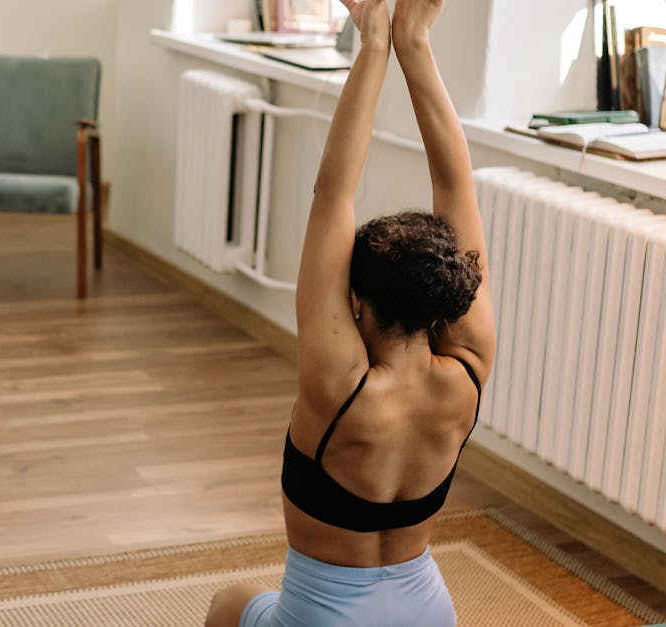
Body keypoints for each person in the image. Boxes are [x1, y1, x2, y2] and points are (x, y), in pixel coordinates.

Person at [205, 0, 495, 625]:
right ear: (441, 301)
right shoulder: (469, 366)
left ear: (357, 303)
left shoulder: (341, 387)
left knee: (229, 603)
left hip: (325, 619)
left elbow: (332, 193)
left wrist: (372, 46)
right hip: (430, 613)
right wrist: (414, 44)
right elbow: (456, 183)